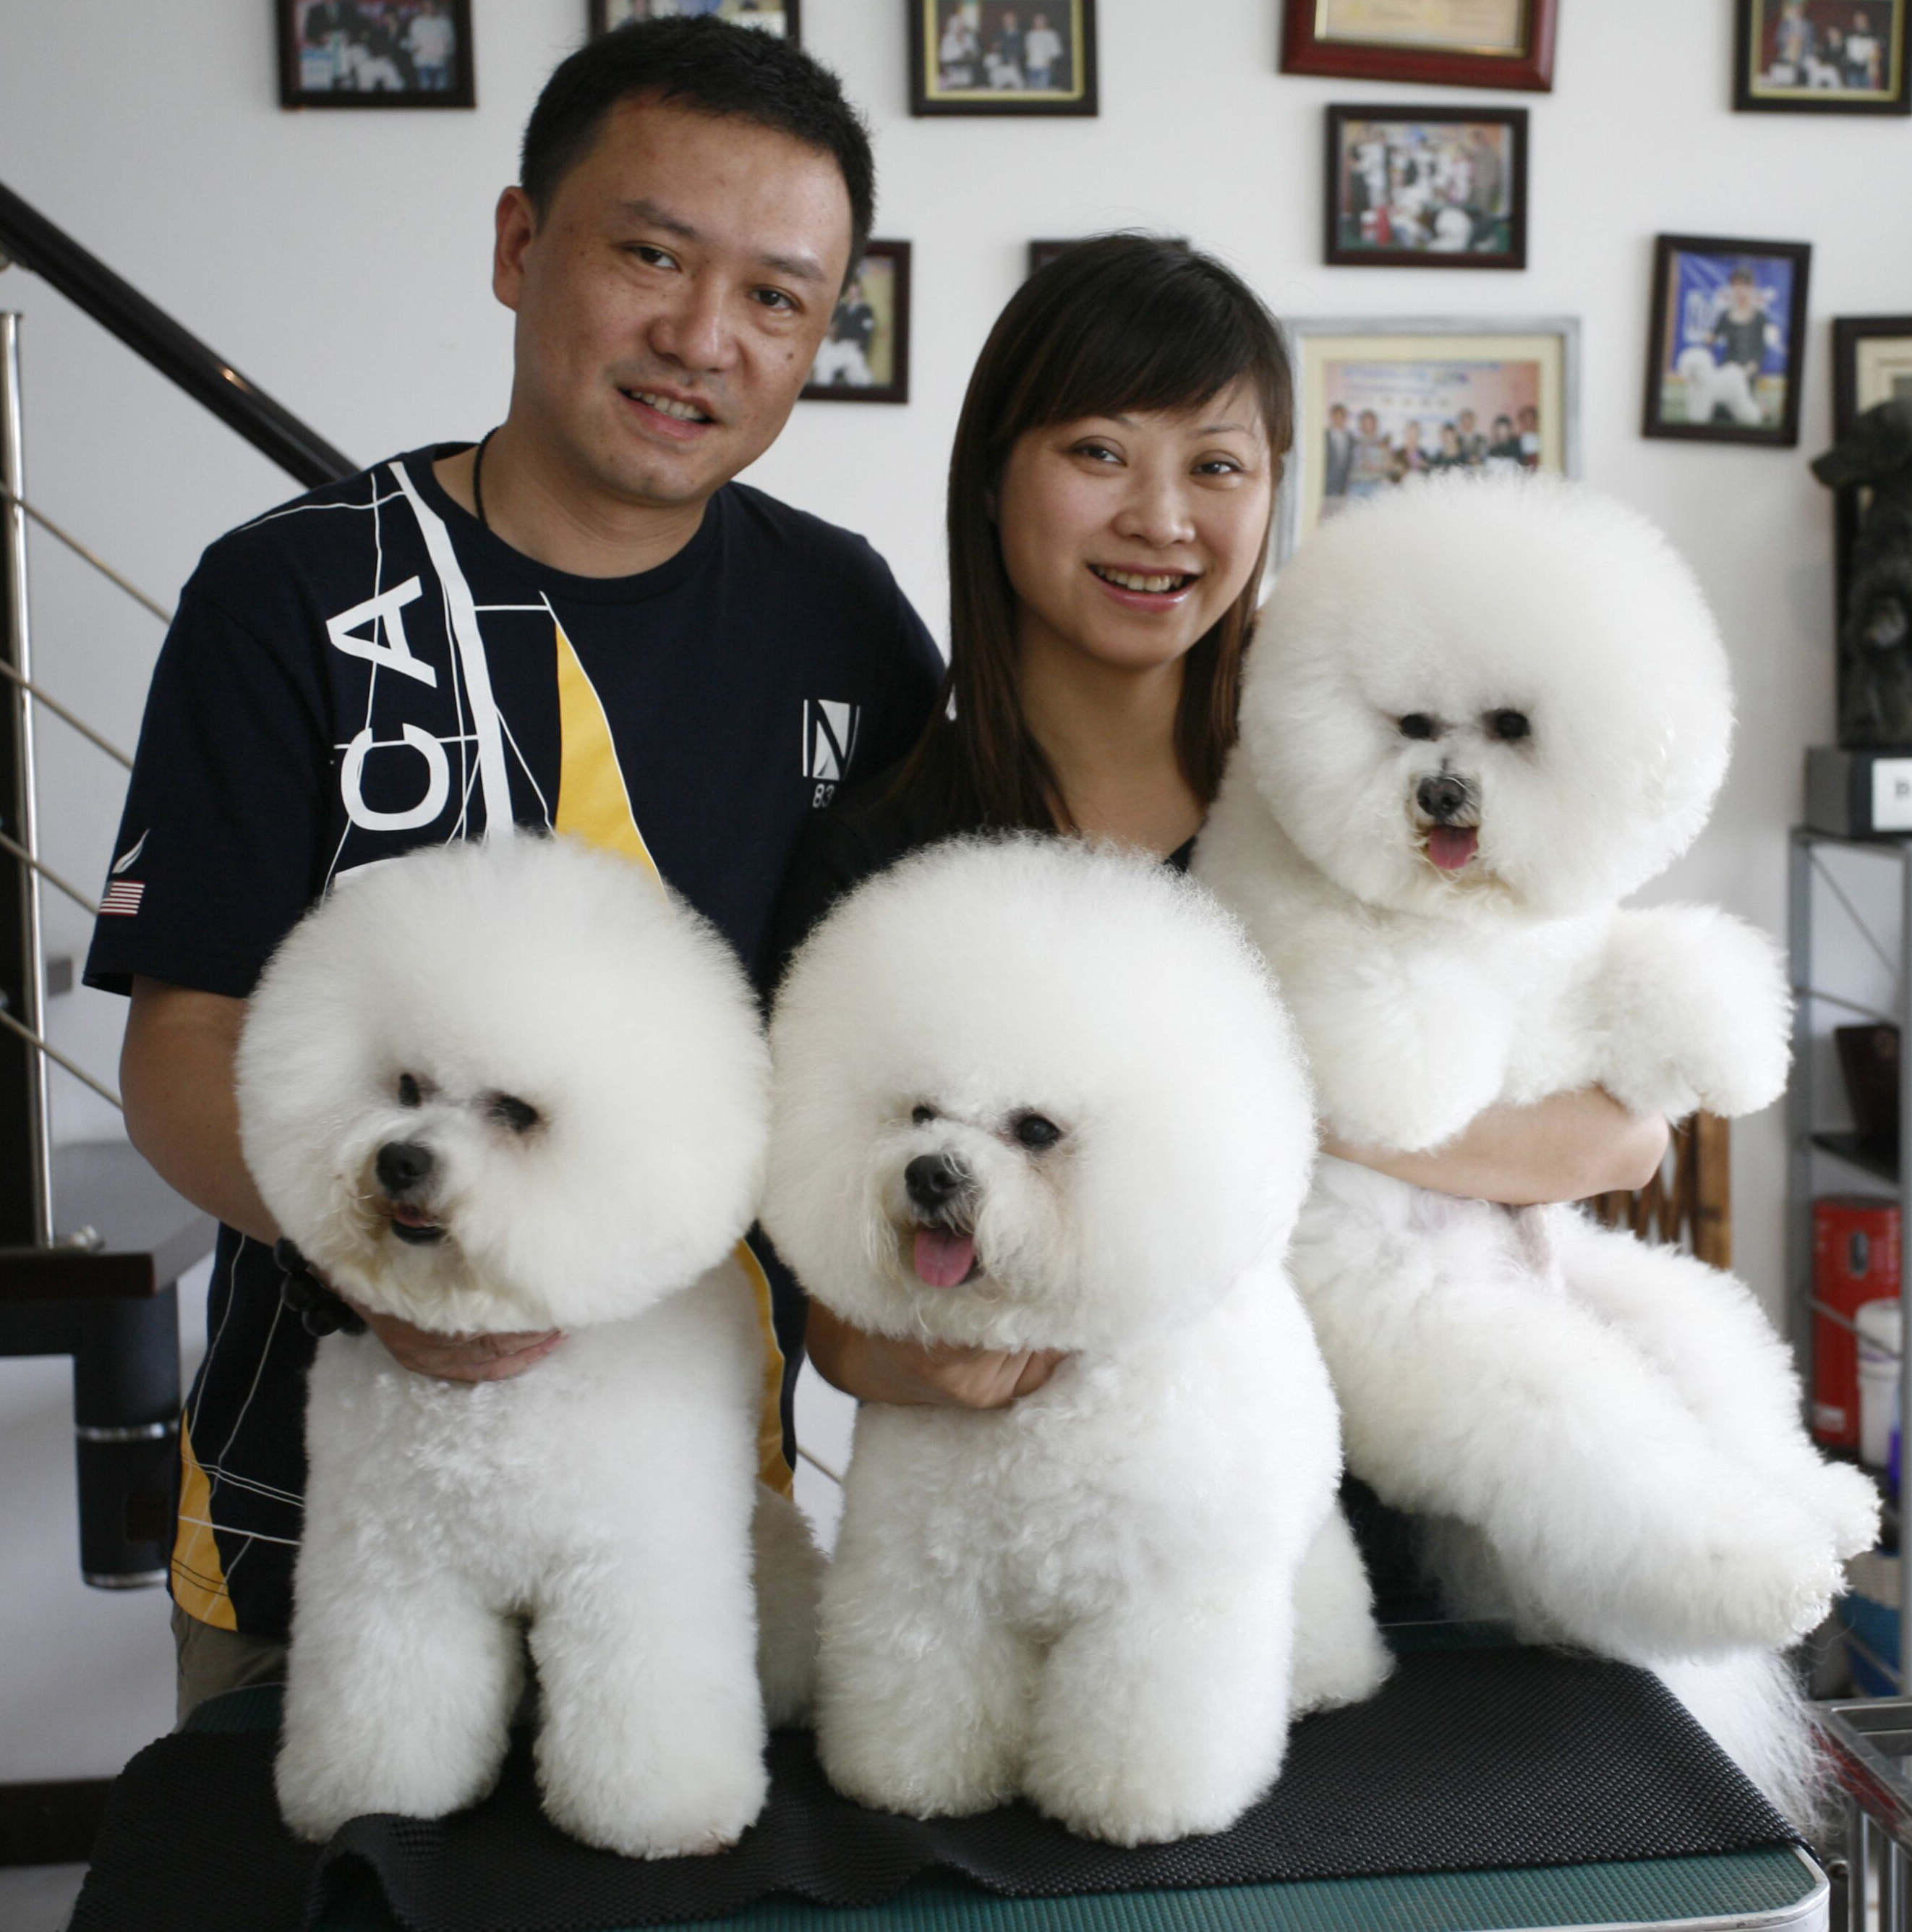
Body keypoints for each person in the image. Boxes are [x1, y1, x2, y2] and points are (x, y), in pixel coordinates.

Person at [88, 16, 944, 1717]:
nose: (700, 337)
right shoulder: (297, 598)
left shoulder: (841, 617)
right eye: (651, 256)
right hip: (320, 1543)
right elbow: (183, 1047)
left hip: (685, 1539)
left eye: (774, 296)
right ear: (518, 244)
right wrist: (388, 1253)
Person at [763, 233, 1670, 1418]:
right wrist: (938, 1362)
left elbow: (1618, 1136)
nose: (1160, 518)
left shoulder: (1366, 777)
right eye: (1098, 452)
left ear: (1272, 488)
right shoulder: (886, 856)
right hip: (1079, 1489)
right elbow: (834, 1316)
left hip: (1424, 1452)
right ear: (991, 476)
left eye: (1216, 466)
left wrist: (1243, 1123)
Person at [405, 0, 456, 90]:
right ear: (423, 6)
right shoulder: (417, 22)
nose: (429, 6)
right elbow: (413, 42)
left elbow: (451, 42)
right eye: (427, 4)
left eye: (432, 4)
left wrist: (445, 54)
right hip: (423, 64)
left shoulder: (445, 22)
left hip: (440, 64)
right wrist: (412, 47)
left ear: (436, 5)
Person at [1321, 399, 1355, 503]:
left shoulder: (1350, 438)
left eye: (1342, 417)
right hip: (1324, 485)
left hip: (1343, 487)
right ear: (1332, 417)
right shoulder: (1324, 436)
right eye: (1336, 416)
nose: (1339, 419)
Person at [1023, 9, 1064, 88]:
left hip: (1045, 68)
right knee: (1031, 90)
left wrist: (1050, 60)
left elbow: (1057, 51)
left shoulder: (1052, 34)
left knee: (1043, 90)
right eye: (1036, 21)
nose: (1038, 23)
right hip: (1031, 67)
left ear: (1045, 22)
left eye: (1040, 21)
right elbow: (1027, 49)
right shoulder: (1030, 34)